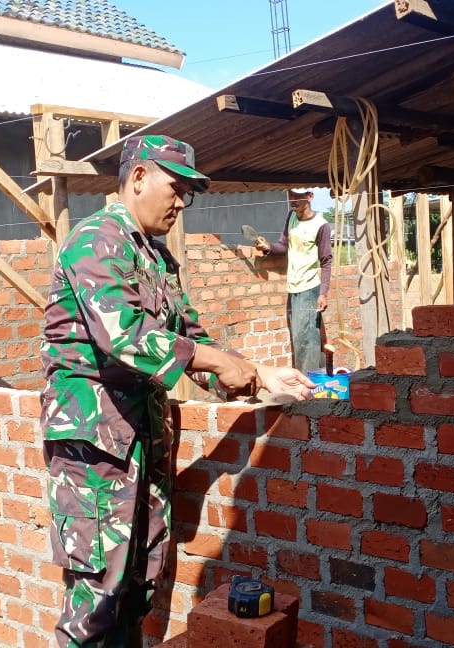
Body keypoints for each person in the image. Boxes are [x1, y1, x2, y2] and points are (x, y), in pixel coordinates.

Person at [39, 134, 315, 648]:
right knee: (96, 600)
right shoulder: (96, 239)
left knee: (139, 582)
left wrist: (258, 375)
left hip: (140, 442)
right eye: (176, 186)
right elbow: (126, 336)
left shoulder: (157, 257)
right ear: (139, 177)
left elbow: (188, 337)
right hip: (95, 449)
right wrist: (222, 362)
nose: (182, 201)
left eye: (189, 191)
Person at [254, 189, 333, 373]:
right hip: (293, 288)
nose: (293, 200)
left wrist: (323, 293)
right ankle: (312, 382)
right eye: (291, 195)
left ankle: (309, 388)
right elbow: (283, 246)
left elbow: (326, 261)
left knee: (307, 340)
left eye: (298, 196)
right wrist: (268, 247)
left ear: (310, 197)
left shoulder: (321, 225)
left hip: (310, 288)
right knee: (299, 339)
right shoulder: (291, 216)